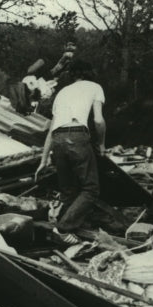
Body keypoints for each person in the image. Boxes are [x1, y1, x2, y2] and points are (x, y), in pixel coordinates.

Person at [35, 58, 106, 244]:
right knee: (91, 189)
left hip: (58, 138)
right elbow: (98, 120)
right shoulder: (95, 87)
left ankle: (61, 228)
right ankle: (63, 229)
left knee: (68, 190)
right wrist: (101, 143)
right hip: (77, 135)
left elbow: (52, 129)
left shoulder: (62, 92)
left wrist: (43, 160)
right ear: (89, 72)